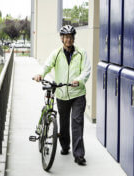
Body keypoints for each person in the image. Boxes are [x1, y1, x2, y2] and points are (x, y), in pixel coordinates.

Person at [33, 25, 91, 165]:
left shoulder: (81, 53)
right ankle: (65, 146)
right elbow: (47, 65)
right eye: (66, 37)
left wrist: (79, 80)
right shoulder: (56, 53)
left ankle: (79, 155)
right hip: (61, 94)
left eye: (71, 37)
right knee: (63, 125)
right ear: (62, 38)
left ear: (73, 38)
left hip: (77, 94)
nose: (68, 39)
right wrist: (40, 74)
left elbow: (86, 70)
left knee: (77, 123)